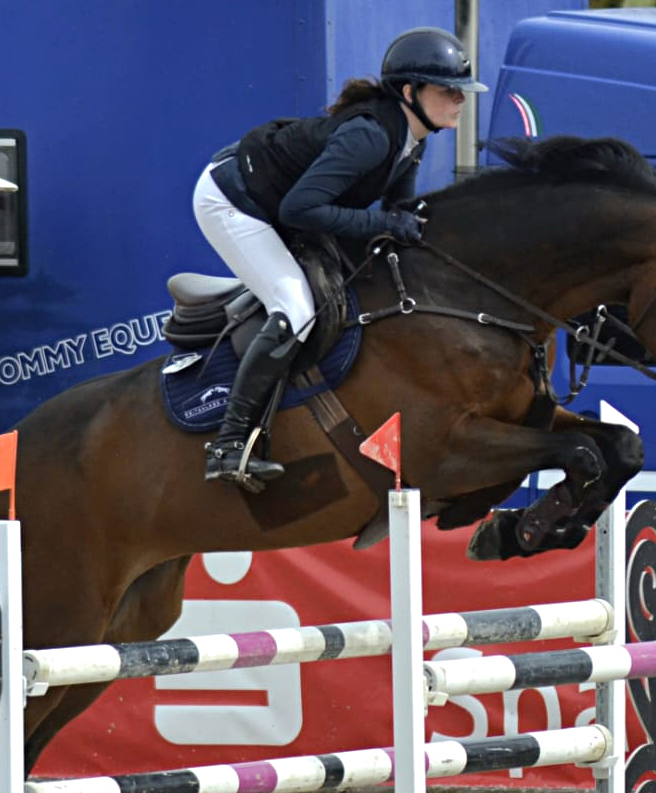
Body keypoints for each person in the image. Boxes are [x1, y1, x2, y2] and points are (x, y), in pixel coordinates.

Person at [194, 26, 486, 489]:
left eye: (462, 91)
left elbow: (398, 215)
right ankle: (229, 446)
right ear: (409, 92)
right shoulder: (371, 137)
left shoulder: (413, 139)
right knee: (295, 308)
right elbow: (301, 209)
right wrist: (389, 225)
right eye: (449, 90)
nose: (460, 100)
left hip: (279, 200)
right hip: (234, 200)